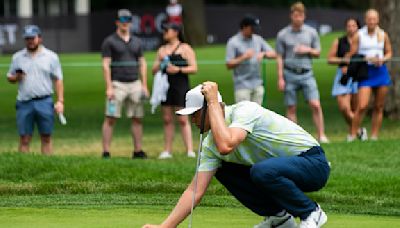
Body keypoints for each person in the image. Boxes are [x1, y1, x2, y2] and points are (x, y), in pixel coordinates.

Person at [143, 82, 330, 228]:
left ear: (212, 108)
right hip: (278, 170)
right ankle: (279, 218)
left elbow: (226, 145)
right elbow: (195, 191)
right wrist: (165, 226)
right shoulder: (209, 145)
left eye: (196, 114)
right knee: (223, 168)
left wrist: (213, 102)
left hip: (313, 164)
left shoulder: (246, 110)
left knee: (261, 171)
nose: (192, 120)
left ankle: (311, 212)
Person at [276, 2, 329, 143]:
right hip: (289, 73)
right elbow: (279, 57)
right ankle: (294, 138)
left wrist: (308, 50)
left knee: (315, 104)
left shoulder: (311, 32)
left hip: (307, 73)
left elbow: (318, 52)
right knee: (291, 107)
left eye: (300, 15)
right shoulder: (283, 34)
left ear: (304, 16)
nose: (298, 18)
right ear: (291, 16)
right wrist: (280, 78)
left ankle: (321, 135)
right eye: (295, 15)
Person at [6, 25, 64, 155]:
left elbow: (58, 79)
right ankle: (23, 166)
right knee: (24, 138)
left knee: (46, 136)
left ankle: (46, 165)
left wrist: (60, 101)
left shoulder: (51, 56)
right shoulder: (17, 57)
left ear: (40, 38)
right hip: (24, 102)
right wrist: (16, 77)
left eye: (32, 38)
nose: (30, 41)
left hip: (44, 101)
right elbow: (10, 76)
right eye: (27, 39)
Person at [101, 9, 149, 159]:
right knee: (110, 117)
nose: (125, 23)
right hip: (117, 84)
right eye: (122, 20)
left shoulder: (137, 41)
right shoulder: (109, 41)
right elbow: (105, 65)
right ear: (117, 22)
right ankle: (106, 151)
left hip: (135, 83)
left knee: (137, 117)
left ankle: (138, 150)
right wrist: (109, 87)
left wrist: (144, 85)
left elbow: (142, 63)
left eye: (128, 19)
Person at [152, 22, 198, 159]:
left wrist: (178, 69)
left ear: (176, 32)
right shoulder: (162, 50)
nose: (165, 32)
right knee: (167, 119)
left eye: (167, 30)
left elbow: (194, 68)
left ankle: (189, 150)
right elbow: (153, 70)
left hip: (180, 85)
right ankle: (167, 150)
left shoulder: (185, 48)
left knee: (183, 119)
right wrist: (161, 64)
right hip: (165, 86)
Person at [346, 9, 392, 141]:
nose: (372, 21)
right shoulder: (359, 35)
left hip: (380, 71)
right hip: (365, 72)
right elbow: (352, 54)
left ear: (377, 20)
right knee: (362, 105)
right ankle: (352, 135)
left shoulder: (383, 34)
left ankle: (374, 136)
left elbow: (389, 52)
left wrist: (383, 59)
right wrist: (366, 57)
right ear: (366, 20)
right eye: (369, 19)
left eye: (374, 19)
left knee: (379, 106)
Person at [327, 18, 367, 141]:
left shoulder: (363, 42)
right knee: (344, 107)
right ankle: (359, 130)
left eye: (353, 26)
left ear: (358, 27)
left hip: (357, 76)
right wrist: (343, 60)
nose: (351, 28)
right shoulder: (339, 41)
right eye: (349, 26)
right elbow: (330, 59)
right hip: (343, 76)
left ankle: (352, 134)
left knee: (355, 108)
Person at [226, 15, 276, 105]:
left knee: (257, 115)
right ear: (244, 27)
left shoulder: (258, 39)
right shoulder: (233, 42)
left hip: (257, 84)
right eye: (252, 28)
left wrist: (264, 54)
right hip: (242, 85)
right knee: (243, 115)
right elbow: (229, 64)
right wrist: (243, 57)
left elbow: (275, 54)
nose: (254, 30)